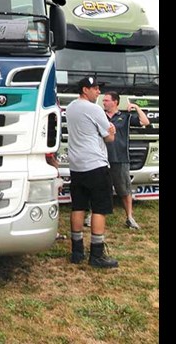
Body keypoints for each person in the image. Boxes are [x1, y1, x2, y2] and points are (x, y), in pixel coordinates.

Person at [63, 76, 119, 268]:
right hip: (95, 163)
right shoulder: (94, 109)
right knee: (100, 208)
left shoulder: (70, 107)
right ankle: (96, 253)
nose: (98, 92)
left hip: (76, 165)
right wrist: (111, 131)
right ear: (85, 90)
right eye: (95, 89)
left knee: (78, 206)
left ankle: (77, 251)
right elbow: (108, 137)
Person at [102, 91, 150, 230]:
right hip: (101, 158)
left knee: (124, 190)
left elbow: (145, 122)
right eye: (103, 101)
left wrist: (136, 107)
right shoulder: (100, 116)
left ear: (115, 102)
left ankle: (129, 217)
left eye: (106, 100)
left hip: (120, 158)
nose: (104, 103)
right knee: (99, 188)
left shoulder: (125, 116)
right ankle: (92, 215)